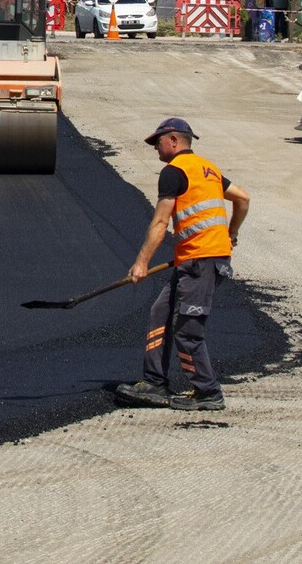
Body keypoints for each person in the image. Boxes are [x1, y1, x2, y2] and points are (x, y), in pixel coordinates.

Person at [115, 118, 250, 411]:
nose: (155, 148)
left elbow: (161, 221)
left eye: (158, 142)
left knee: (188, 330)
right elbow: (242, 198)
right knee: (159, 313)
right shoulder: (208, 169)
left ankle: (208, 392)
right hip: (195, 259)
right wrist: (231, 233)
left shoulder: (173, 171)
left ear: (174, 140)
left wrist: (141, 264)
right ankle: (154, 383)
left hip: (202, 262)